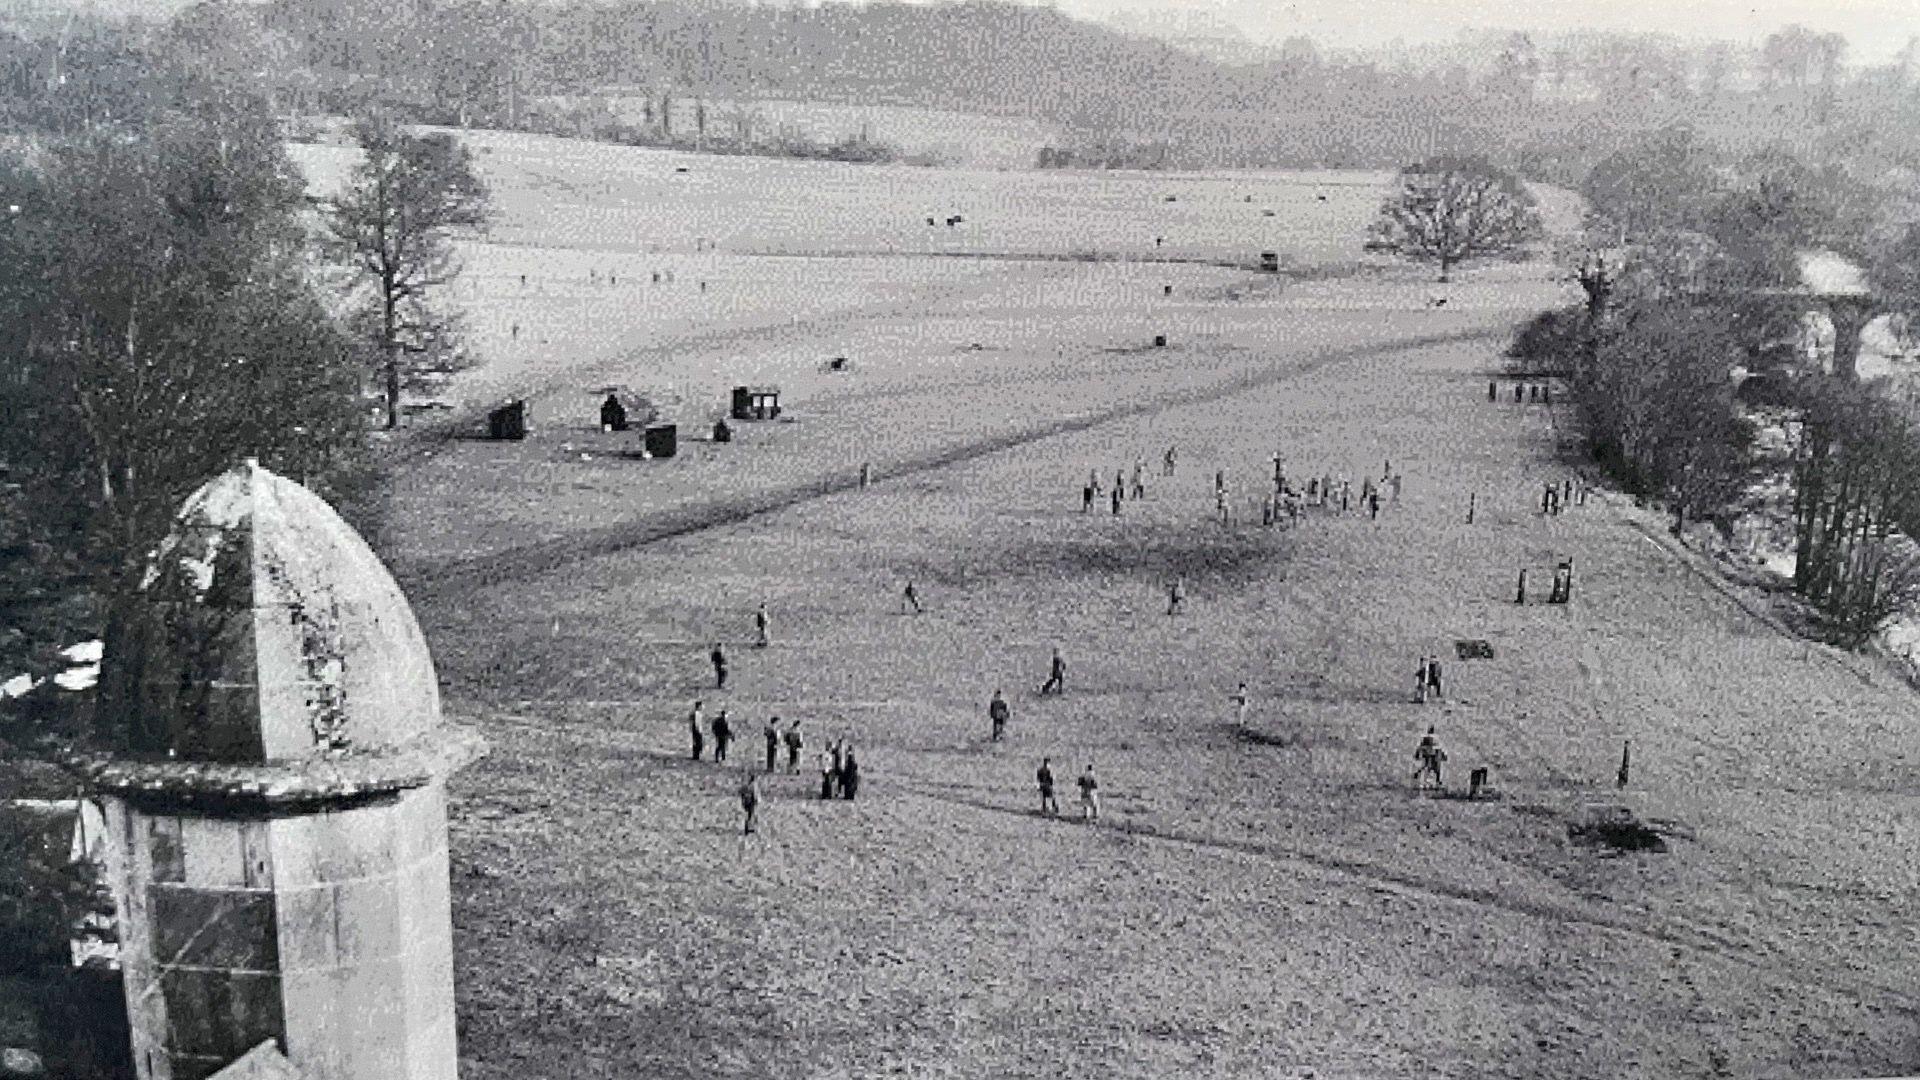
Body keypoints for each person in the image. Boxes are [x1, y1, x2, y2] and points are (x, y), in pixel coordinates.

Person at [1413, 726, 1447, 791]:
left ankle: (1419, 776)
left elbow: (1420, 747)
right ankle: (1437, 783)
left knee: (1425, 767)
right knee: (1435, 770)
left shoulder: (1425, 738)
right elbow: (1439, 748)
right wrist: (1443, 755)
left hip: (1427, 754)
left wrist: (1417, 754)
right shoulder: (1435, 738)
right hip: (1433, 755)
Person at [739, 770, 761, 835]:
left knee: (749, 815)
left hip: (747, 802)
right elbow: (755, 794)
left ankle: (748, 827)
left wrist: (743, 800)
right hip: (752, 802)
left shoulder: (747, 785)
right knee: (753, 815)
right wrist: (756, 800)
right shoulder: (754, 785)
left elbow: (742, 792)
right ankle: (751, 828)